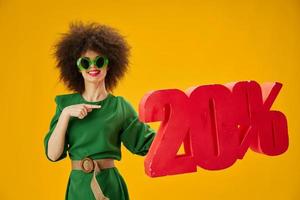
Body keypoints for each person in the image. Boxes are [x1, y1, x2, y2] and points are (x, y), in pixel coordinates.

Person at [43, 21, 157, 200]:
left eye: (99, 61)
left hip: (109, 185)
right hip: (79, 187)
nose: (93, 67)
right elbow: (52, 154)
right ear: (77, 67)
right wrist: (65, 115)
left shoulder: (120, 107)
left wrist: (181, 130)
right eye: (85, 62)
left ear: (109, 65)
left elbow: (147, 144)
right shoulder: (66, 105)